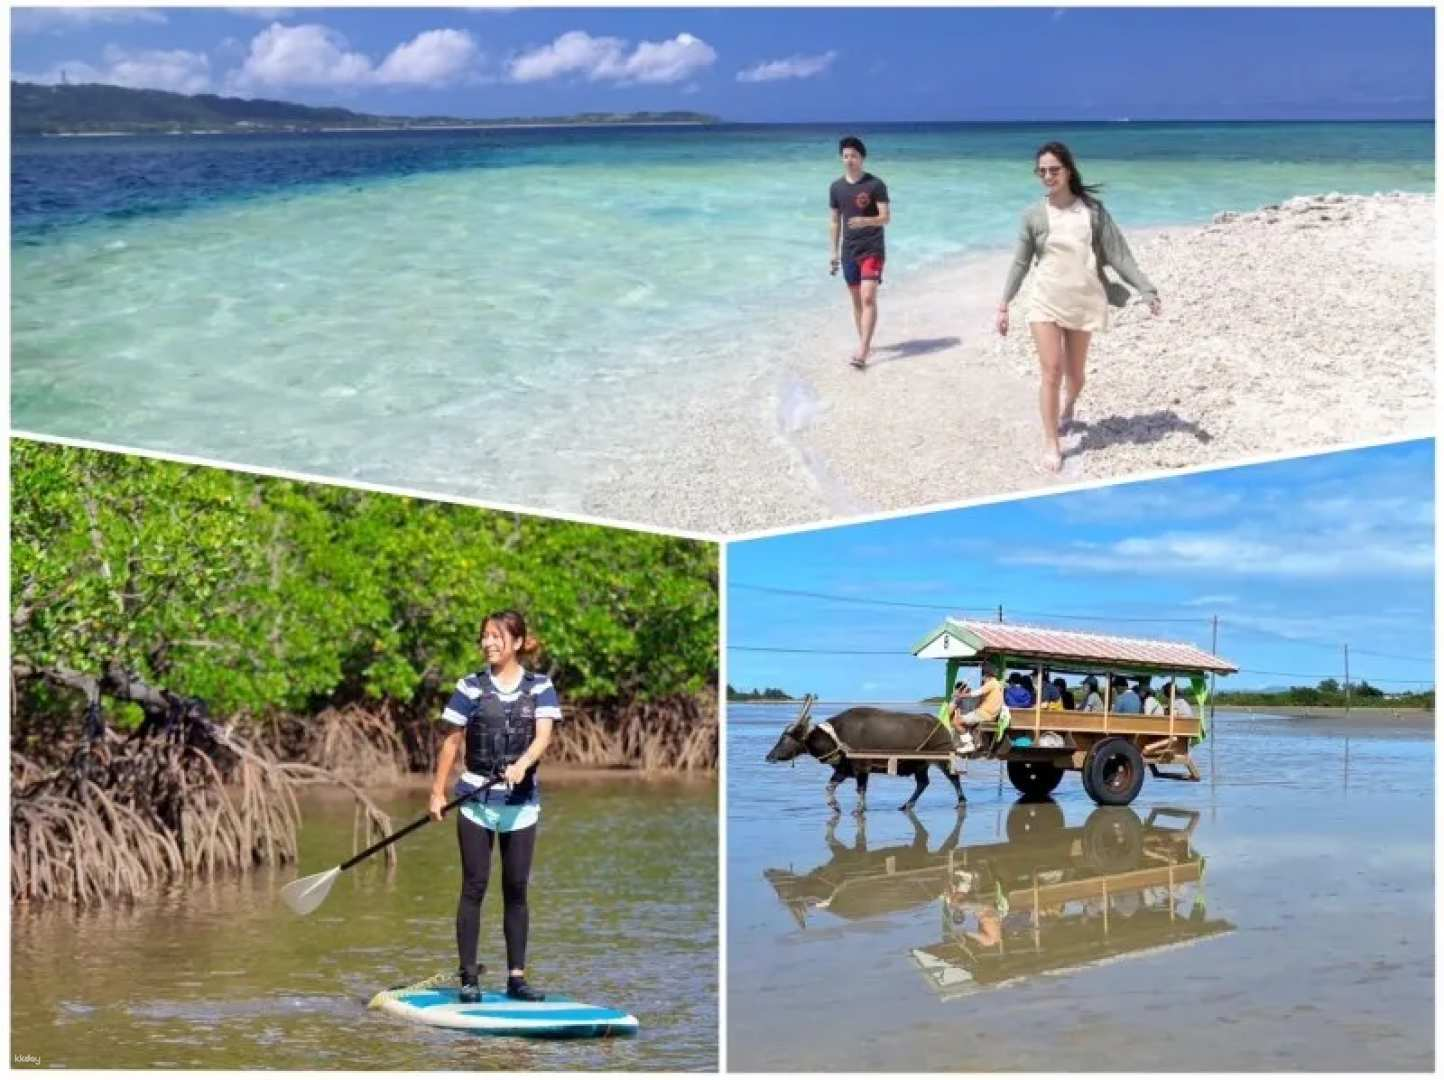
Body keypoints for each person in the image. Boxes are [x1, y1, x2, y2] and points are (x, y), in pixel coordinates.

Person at [996, 141, 1161, 473]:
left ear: (1068, 170)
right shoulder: (1032, 215)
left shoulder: (1093, 212)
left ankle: (1069, 405)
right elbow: (1019, 263)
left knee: (1075, 376)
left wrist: (1145, 288)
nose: (1047, 176)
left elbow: (1119, 255)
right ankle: (1051, 442)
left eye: (1053, 170)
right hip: (1044, 300)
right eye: (1041, 171)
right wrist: (1003, 304)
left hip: (1083, 299)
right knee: (1051, 371)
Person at [429, 610, 563, 1004]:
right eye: (484, 636)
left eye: (496, 636)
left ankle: (516, 979)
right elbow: (451, 742)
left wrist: (522, 764)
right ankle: (469, 979)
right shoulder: (469, 687)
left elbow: (542, 737)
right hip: (475, 801)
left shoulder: (540, 686)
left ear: (517, 643)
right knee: (474, 886)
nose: (488, 643)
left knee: (516, 889)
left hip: (521, 805)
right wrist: (437, 793)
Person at [829, 136, 891, 369]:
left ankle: (863, 351)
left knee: (868, 297)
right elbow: (834, 221)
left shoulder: (875, 185)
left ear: (862, 158)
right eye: (845, 156)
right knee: (856, 300)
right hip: (848, 251)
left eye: (853, 156)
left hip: (872, 249)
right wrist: (833, 252)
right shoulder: (836, 188)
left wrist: (865, 220)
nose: (849, 160)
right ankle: (864, 343)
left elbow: (886, 218)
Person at [952, 664, 1003, 753]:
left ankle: (969, 745)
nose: (982, 678)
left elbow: (976, 693)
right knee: (967, 723)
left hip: (984, 714)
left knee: (956, 722)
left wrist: (960, 695)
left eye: (982, 675)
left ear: (986, 675)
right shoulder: (997, 684)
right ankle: (975, 743)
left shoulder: (991, 683)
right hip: (989, 714)